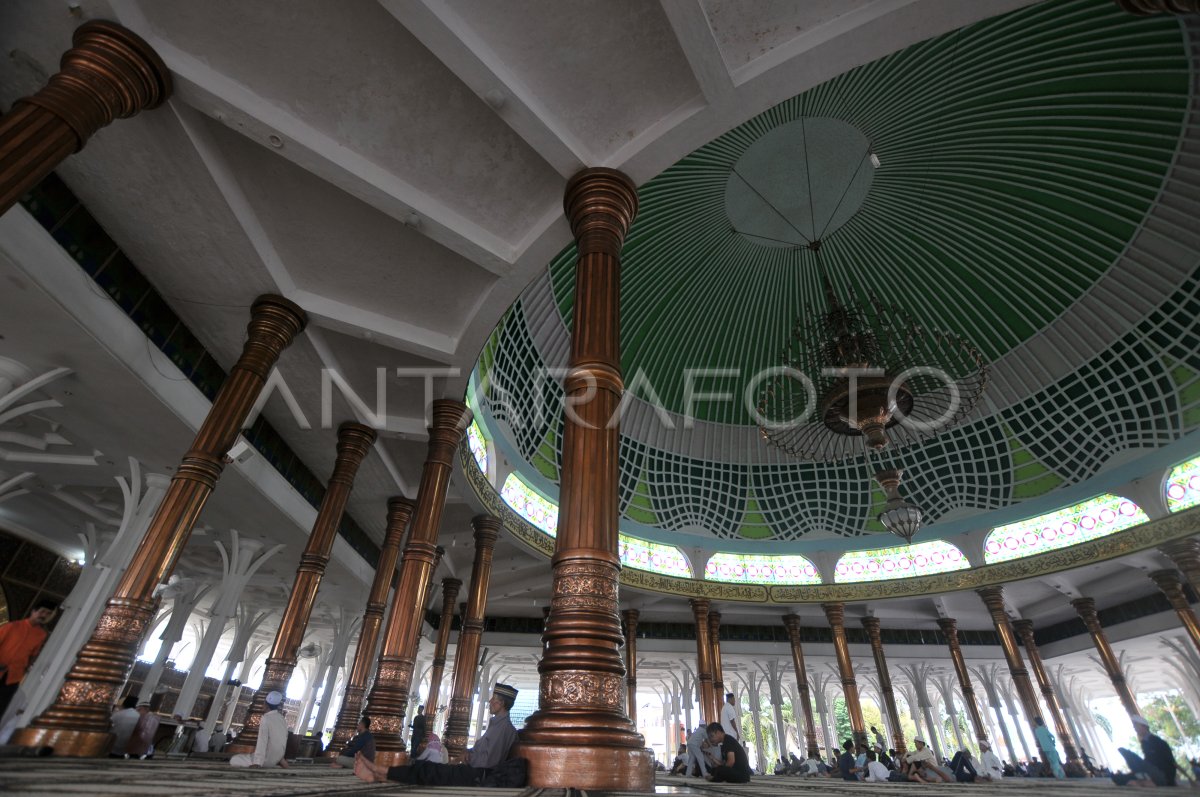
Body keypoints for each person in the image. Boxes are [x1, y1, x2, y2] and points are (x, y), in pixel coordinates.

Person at [354, 683, 521, 786]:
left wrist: (469, 758)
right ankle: (377, 774)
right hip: (474, 771)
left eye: (494, 699)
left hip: (477, 775)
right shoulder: (496, 726)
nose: (490, 702)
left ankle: (378, 771)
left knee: (429, 771)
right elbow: (484, 752)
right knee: (428, 770)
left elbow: (489, 761)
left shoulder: (504, 729)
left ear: (502, 703)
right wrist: (469, 752)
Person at [0, 600, 58, 718]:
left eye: (48, 614)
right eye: (42, 611)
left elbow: (33, 655)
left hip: (13, 678)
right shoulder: (12, 626)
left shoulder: (41, 635)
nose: (44, 616)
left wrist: (24, 670)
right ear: (33, 611)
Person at [1113, 715, 1179, 787]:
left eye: (1136, 725)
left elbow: (1168, 761)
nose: (1134, 728)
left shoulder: (1155, 741)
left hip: (1162, 776)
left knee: (1131, 757)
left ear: (1144, 726)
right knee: (1119, 779)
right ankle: (1143, 781)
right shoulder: (1146, 742)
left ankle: (1148, 782)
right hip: (1155, 775)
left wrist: (1168, 779)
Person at [230, 690, 288, 768]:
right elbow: (283, 740)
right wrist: (282, 759)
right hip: (277, 759)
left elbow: (262, 741)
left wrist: (258, 763)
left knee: (234, 759)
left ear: (265, 704)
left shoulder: (266, 718)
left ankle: (261, 763)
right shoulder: (282, 718)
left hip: (264, 760)